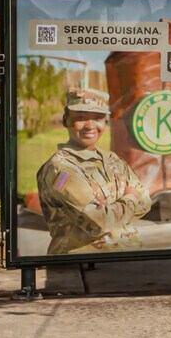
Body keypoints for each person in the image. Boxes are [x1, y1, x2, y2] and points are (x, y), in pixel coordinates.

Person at [34, 88, 152, 255]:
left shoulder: (112, 159)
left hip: (121, 257)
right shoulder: (61, 168)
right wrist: (130, 197)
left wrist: (111, 209)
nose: (90, 126)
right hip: (79, 265)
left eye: (98, 118)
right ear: (66, 120)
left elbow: (146, 201)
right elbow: (100, 223)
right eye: (80, 118)